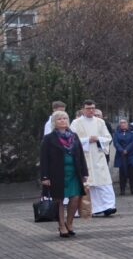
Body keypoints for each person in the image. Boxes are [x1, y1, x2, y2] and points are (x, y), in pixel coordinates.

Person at [40, 110, 88, 238]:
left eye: (65, 118)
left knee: (75, 197)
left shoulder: (74, 136)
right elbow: (44, 159)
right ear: (54, 122)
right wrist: (44, 177)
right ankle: (61, 225)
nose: (63, 121)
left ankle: (69, 222)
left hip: (74, 173)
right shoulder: (49, 138)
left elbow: (81, 155)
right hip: (56, 173)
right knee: (58, 199)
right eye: (59, 119)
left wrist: (84, 172)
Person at [70, 100, 116, 217]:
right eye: (88, 108)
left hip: (97, 156)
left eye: (93, 108)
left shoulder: (100, 122)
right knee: (87, 183)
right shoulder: (76, 123)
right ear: (83, 109)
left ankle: (108, 206)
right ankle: (86, 208)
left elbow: (108, 138)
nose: (91, 110)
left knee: (103, 181)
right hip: (83, 156)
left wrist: (98, 139)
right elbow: (71, 140)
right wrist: (87, 140)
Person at [113, 118, 133, 195]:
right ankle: (122, 190)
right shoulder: (117, 133)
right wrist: (121, 150)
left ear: (127, 124)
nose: (123, 124)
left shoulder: (132, 132)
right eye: (121, 123)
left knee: (132, 172)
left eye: (124, 122)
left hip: (131, 155)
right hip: (121, 155)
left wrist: (127, 150)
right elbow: (116, 143)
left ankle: (132, 189)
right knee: (122, 173)